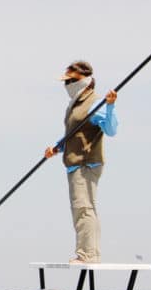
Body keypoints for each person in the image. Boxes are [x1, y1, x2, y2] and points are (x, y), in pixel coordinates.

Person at [44, 61, 118, 264]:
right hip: (74, 163)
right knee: (81, 208)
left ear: (84, 80)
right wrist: (58, 147)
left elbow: (111, 130)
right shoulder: (74, 105)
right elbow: (73, 134)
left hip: (87, 163)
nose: (66, 84)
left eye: (71, 80)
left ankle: (88, 255)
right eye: (66, 80)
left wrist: (110, 106)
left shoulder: (94, 103)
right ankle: (88, 253)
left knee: (84, 208)